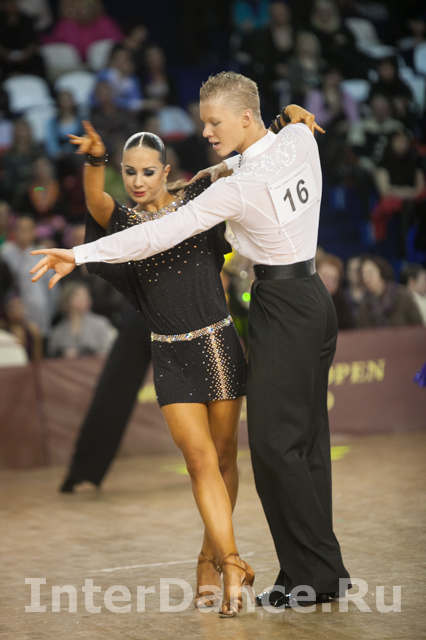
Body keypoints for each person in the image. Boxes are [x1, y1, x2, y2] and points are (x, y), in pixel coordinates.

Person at [30, 74, 351, 612]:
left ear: (244, 118)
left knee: (274, 448)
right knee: (308, 441)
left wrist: (80, 254)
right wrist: (286, 115)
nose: (204, 132)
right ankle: (319, 572)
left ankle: (311, 573)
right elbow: (280, 130)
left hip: (279, 306)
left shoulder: (236, 186)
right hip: (315, 298)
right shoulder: (298, 138)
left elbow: (156, 234)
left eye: (213, 122)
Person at [34, 120, 251, 617]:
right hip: (168, 354)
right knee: (198, 461)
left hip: (217, 345)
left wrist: (287, 123)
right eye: (129, 172)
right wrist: (95, 160)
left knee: (223, 459)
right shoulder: (123, 224)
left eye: (147, 171)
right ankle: (233, 562)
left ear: (165, 171)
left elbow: (251, 162)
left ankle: (209, 561)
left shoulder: (198, 202)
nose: (137, 180)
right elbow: (96, 201)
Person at [60, 300, 152, 492]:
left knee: (202, 384)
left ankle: (216, 458)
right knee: (111, 395)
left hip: (180, 313)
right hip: (141, 313)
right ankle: (82, 470)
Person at [47, 281, 115, 357]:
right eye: (79, 296)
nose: (85, 299)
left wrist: (87, 353)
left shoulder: (101, 323)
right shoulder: (58, 331)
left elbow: (109, 351)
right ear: (67, 300)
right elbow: (51, 355)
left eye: (86, 295)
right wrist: (63, 353)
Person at [358, 255, 423, 328]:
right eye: (364, 274)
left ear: (381, 271)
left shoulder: (402, 295)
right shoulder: (364, 304)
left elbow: (418, 324)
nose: (367, 278)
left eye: (370, 272)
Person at [317, 253, 355, 329]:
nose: (328, 282)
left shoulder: (342, 305)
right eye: (325, 276)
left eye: (334, 279)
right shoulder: (301, 300)